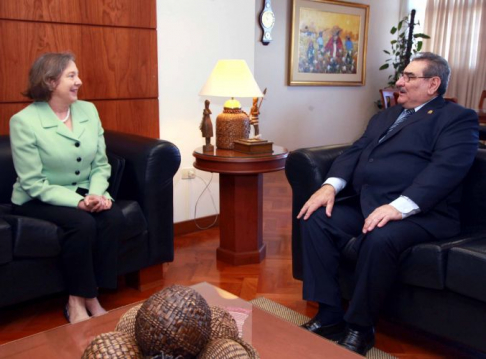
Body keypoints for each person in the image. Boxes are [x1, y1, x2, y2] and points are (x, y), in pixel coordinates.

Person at [297, 52, 478, 355]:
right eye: (402, 76)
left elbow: (447, 169)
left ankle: (360, 328)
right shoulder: (385, 115)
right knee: (315, 217)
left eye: (409, 77)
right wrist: (329, 186)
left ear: (433, 83)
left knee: (380, 237)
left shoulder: (456, 119)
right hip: (371, 204)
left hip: (424, 213)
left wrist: (400, 206)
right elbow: (354, 152)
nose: (400, 82)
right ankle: (328, 315)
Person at [9, 52, 125, 324]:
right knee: (82, 224)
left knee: (112, 217)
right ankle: (77, 299)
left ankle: (92, 294)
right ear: (50, 82)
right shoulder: (24, 121)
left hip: (84, 189)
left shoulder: (89, 110)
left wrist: (97, 195)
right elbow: (33, 182)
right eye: (71, 76)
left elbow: (100, 164)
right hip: (37, 197)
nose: (79, 81)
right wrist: (79, 203)